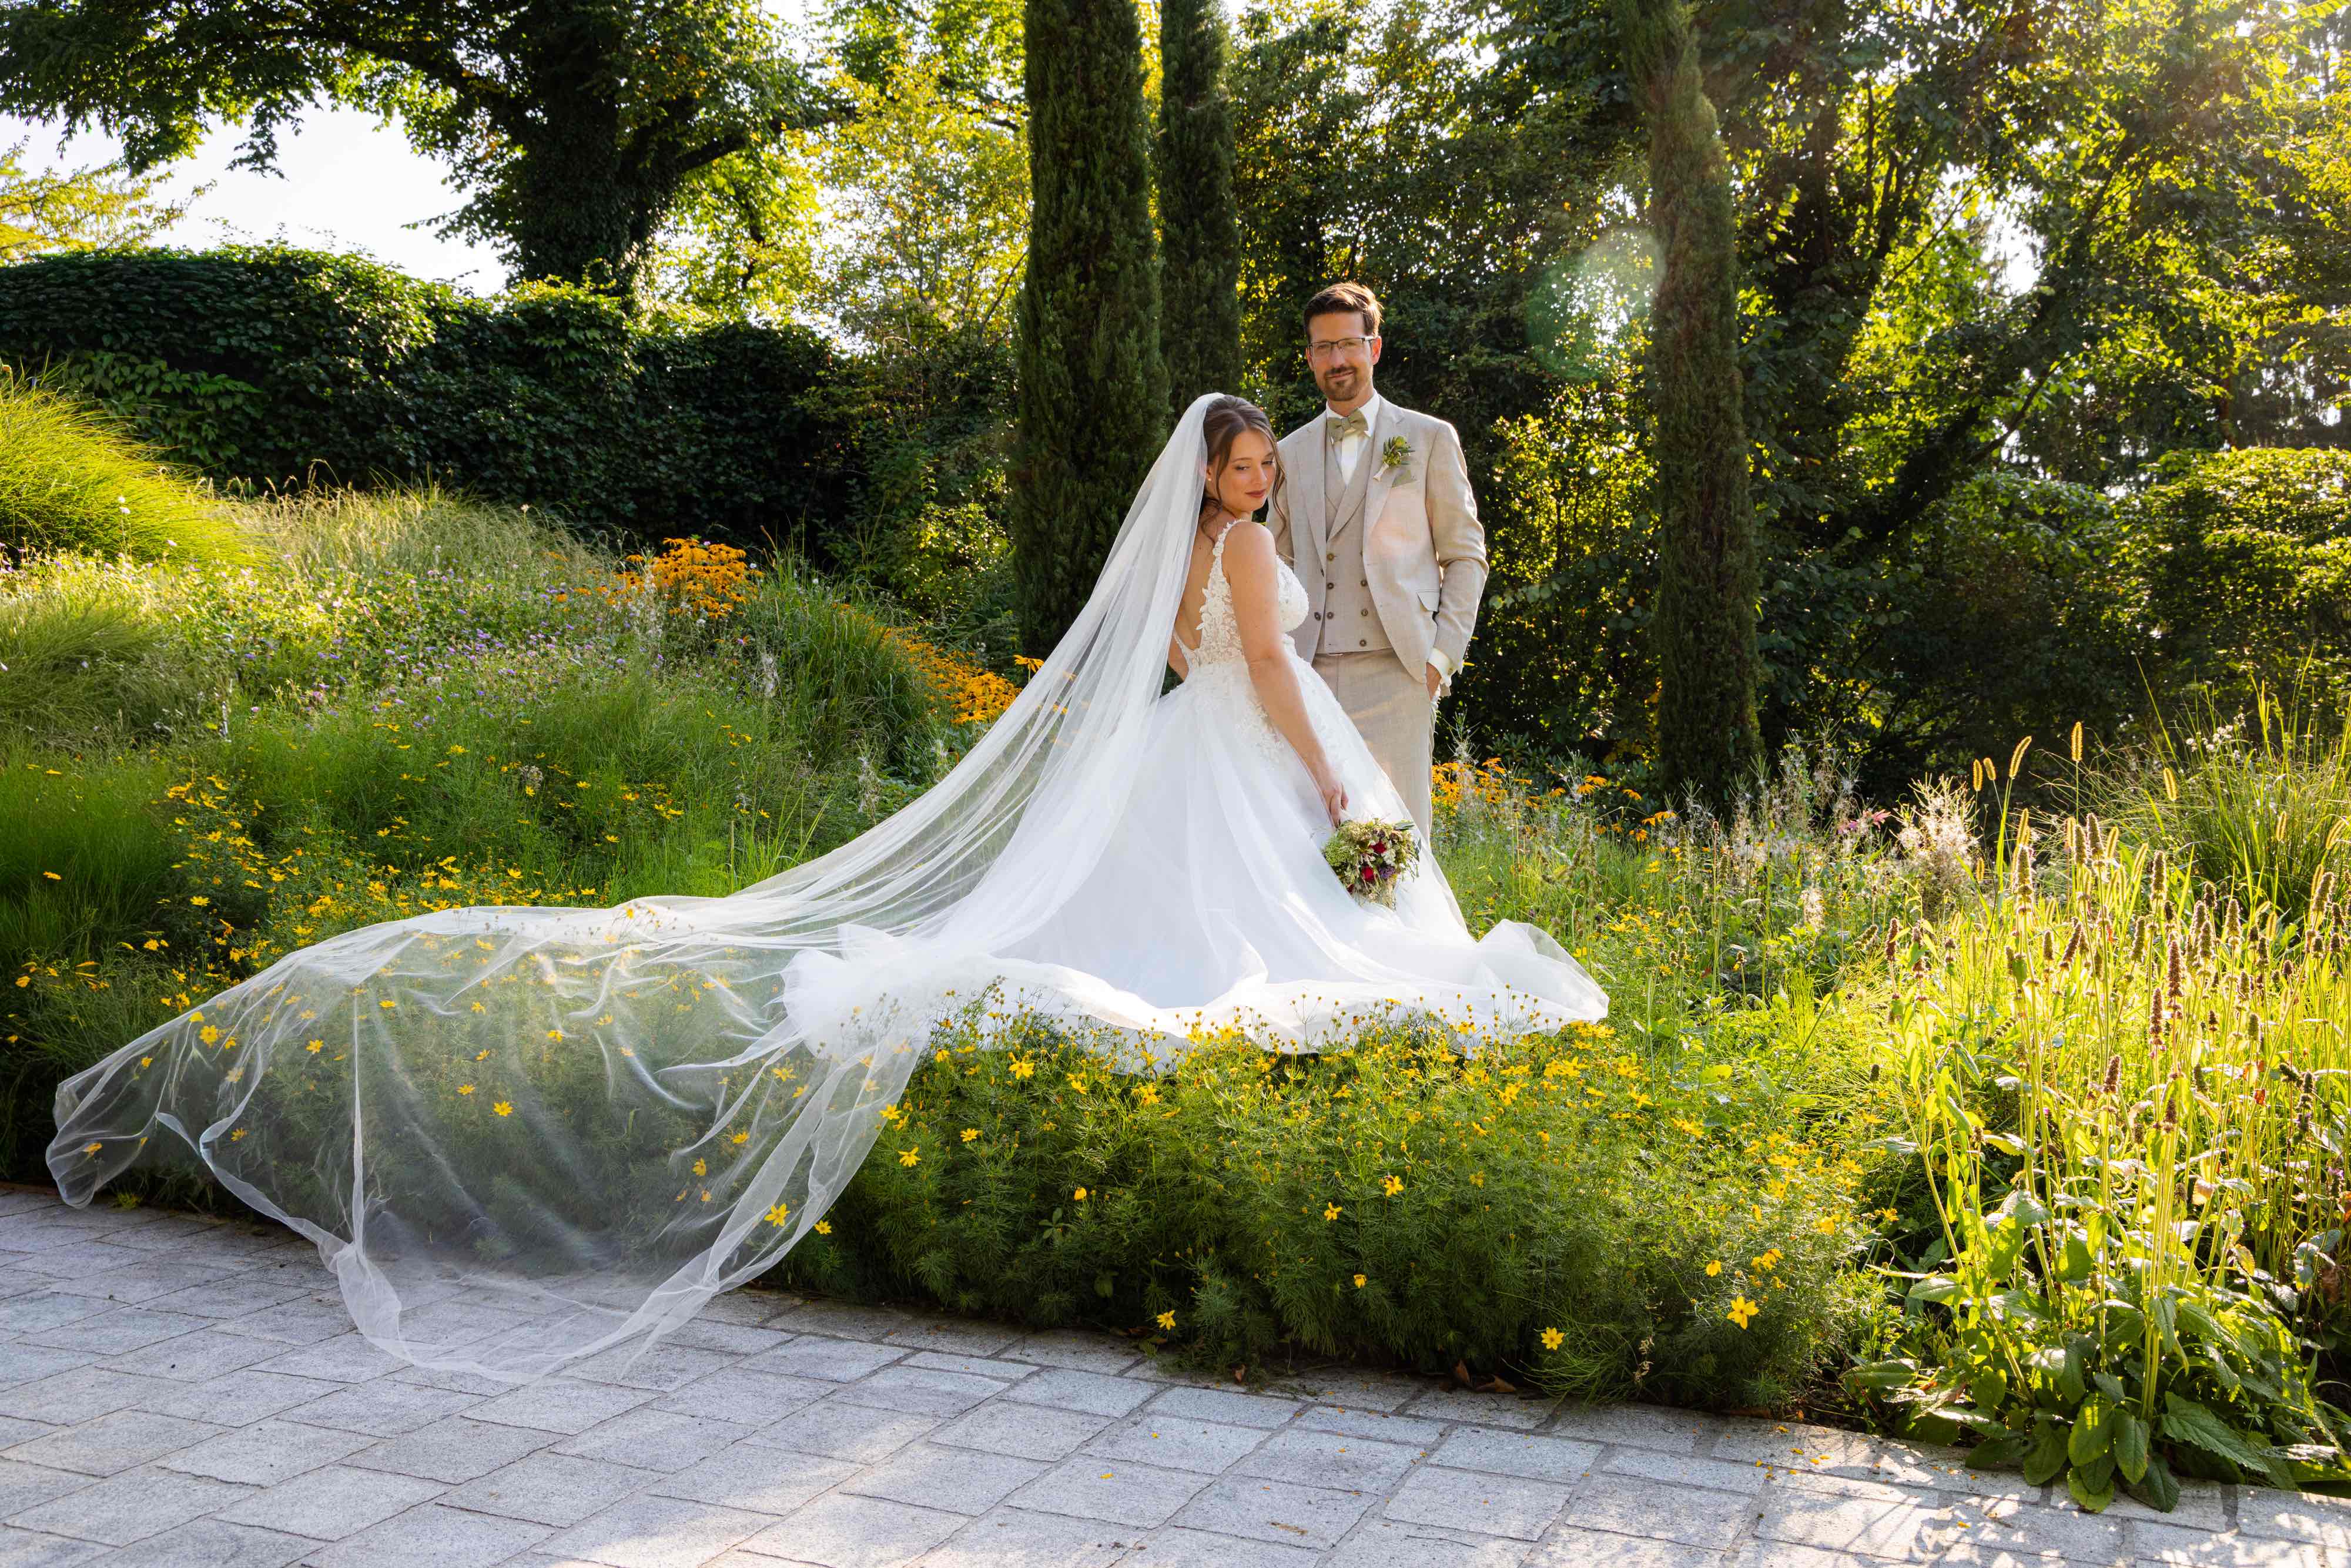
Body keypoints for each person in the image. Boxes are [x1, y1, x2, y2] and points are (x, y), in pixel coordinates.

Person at [49, 394, 1604, 1385]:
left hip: (1178, 753)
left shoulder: (1193, 547)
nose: (1256, 477)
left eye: (1263, 460)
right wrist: (1346, 795)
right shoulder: (1252, 560)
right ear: (1214, 474)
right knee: (1282, 934)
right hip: (1248, 756)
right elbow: (1264, 670)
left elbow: (1197, 663)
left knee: (1171, 926)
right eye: (1243, 462)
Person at [1271, 282, 1488, 838]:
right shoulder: (1287, 453)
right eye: (1323, 348)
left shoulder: (1429, 438)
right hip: (1308, 676)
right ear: (1310, 358)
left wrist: (1440, 657)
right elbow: (1274, 565)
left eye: (1348, 344)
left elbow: (1466, 555)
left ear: (1375, 347)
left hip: (1400, 674)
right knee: (1309, 841)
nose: (1337, 360)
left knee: (1401, 846)